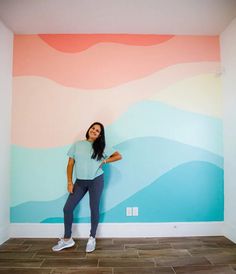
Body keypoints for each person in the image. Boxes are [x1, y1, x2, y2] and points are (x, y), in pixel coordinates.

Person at [52, 122, 122, 252]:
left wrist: (104, 160)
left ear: (100, 135)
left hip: (96, 180)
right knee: (67, 208)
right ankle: (67, 239)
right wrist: (69, 182)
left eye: (97, 131)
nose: (94, 131)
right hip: (80, 182)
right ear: (89, 129)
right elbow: (70, 164)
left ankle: (92, 237)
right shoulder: (78, 145)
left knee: (94, 208)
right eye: (93, 128)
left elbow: (119, 156)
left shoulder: (101, 146)